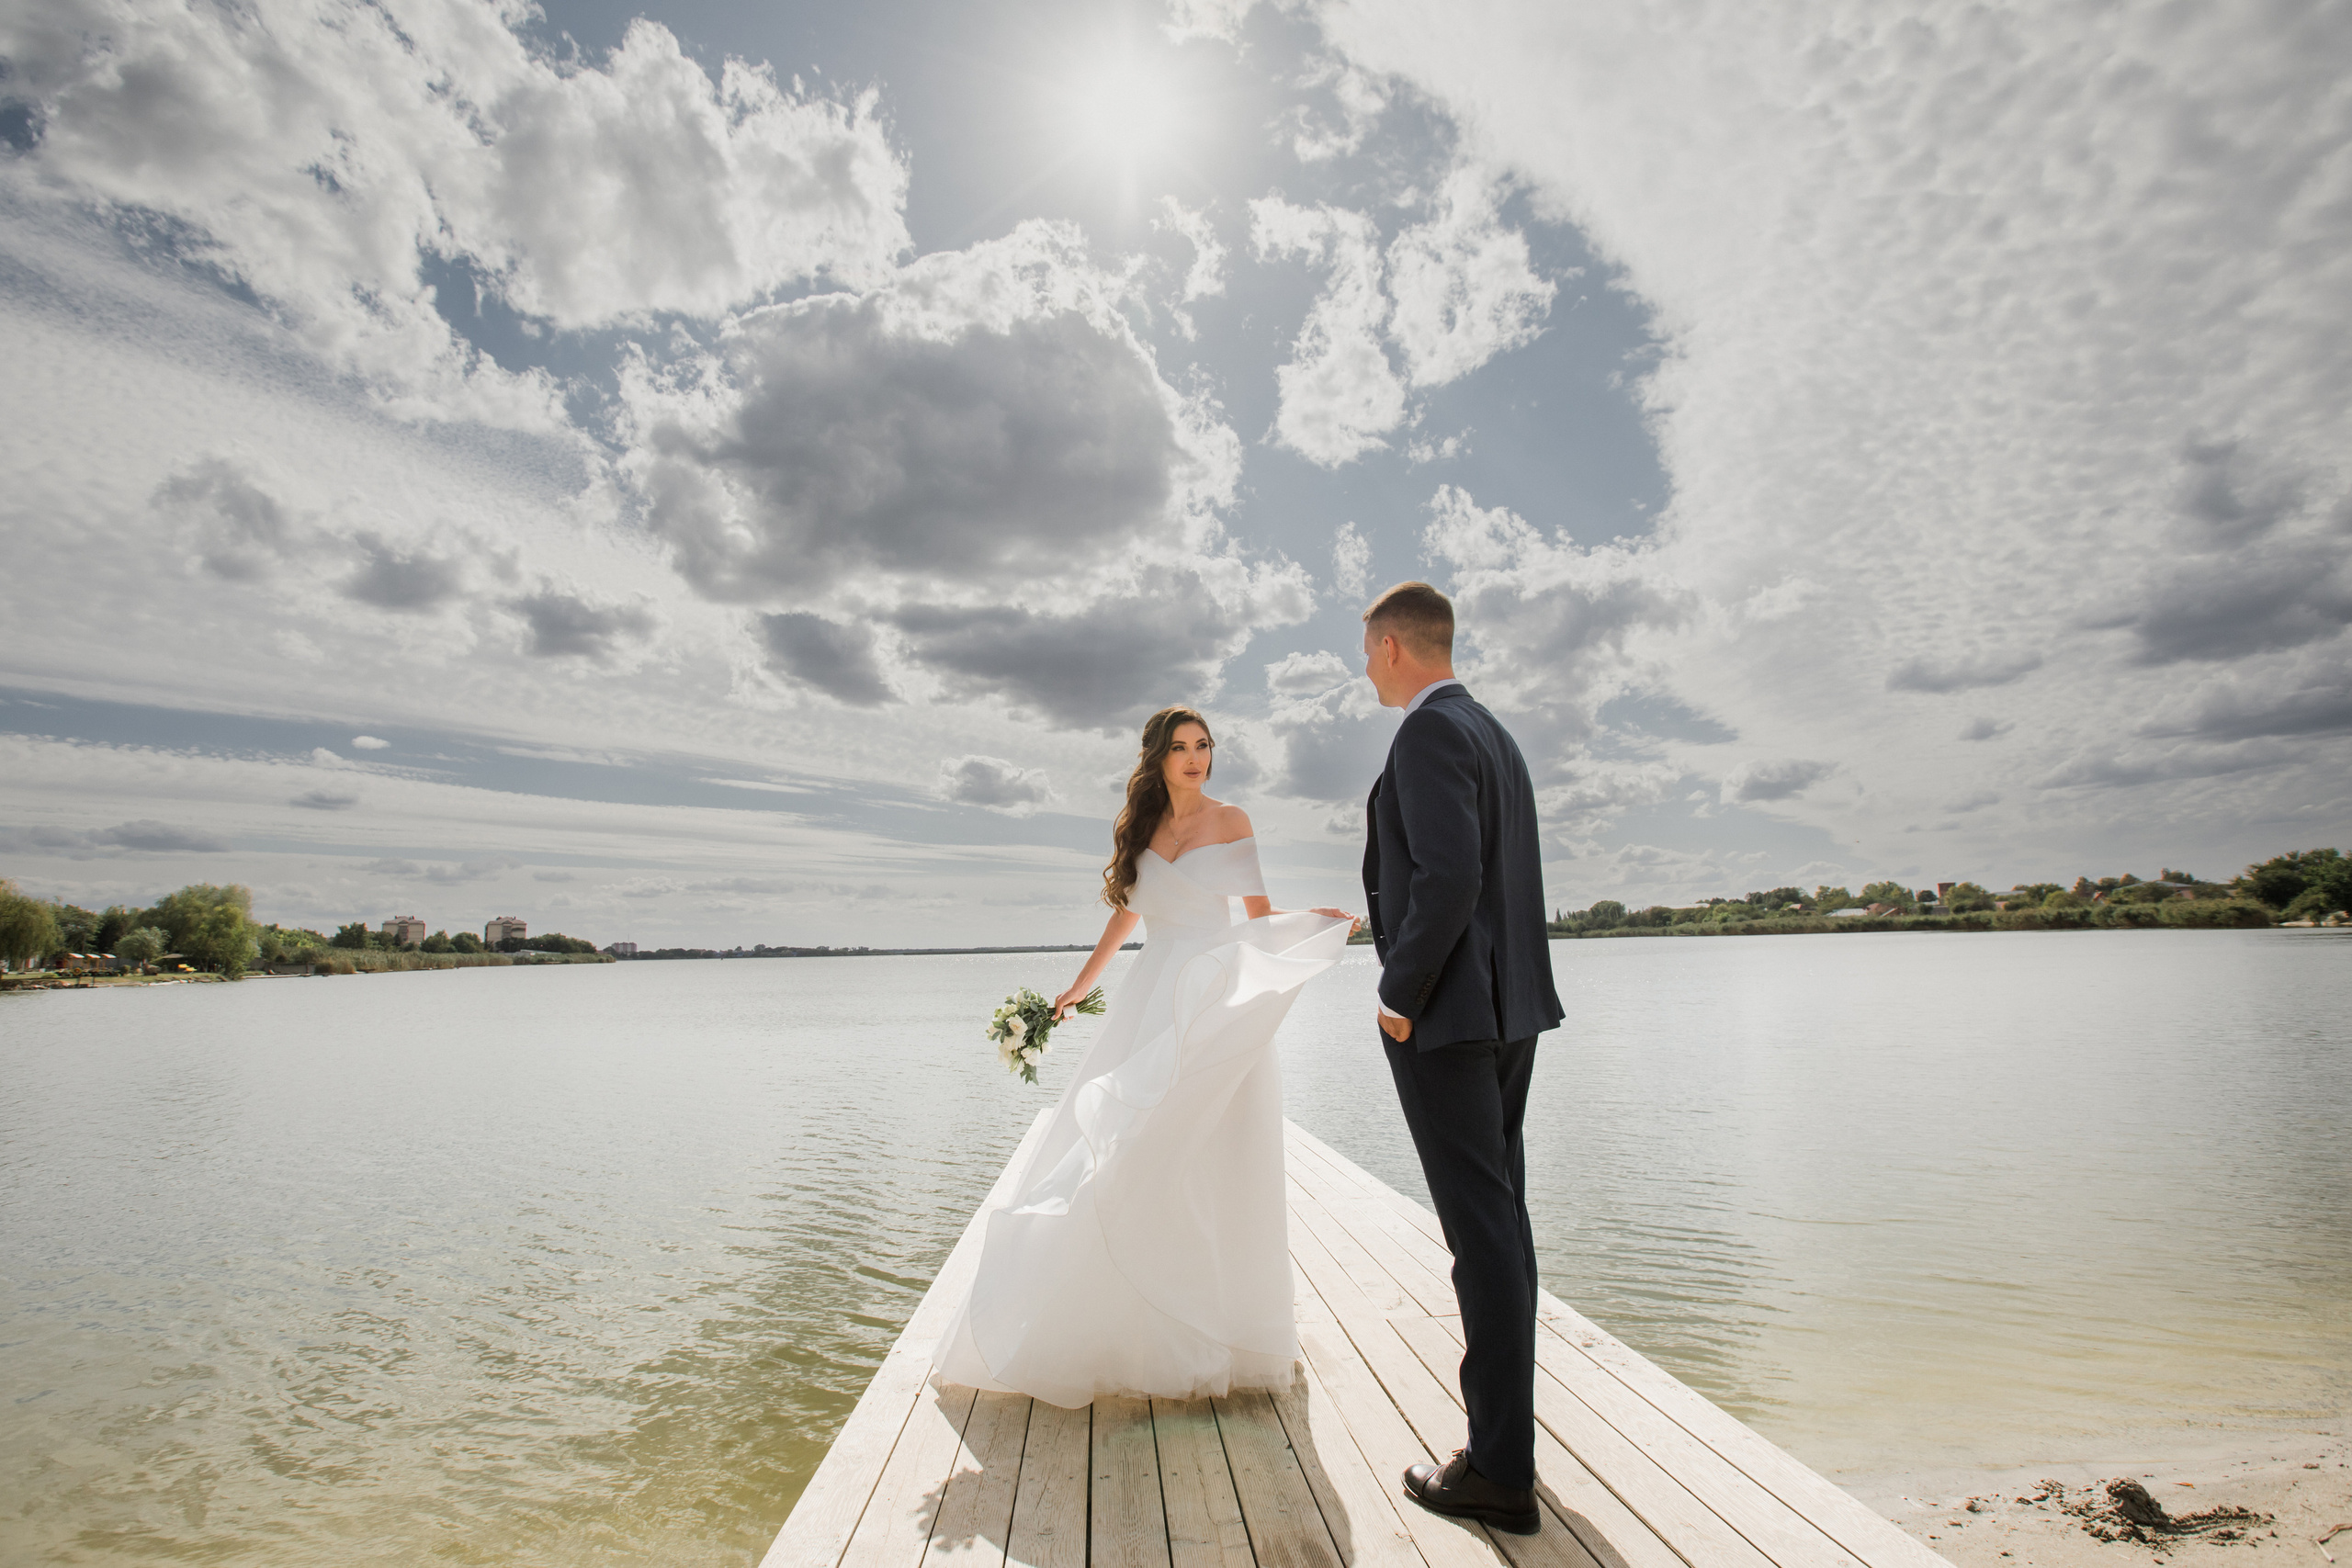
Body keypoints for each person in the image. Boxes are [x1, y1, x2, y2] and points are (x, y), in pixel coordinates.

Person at [932, 705, 1359, 1407]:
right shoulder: (1143, 830)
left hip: (1210, 1002)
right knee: (1125, 1152)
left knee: (1213, 1157)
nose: (1195, 758)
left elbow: (1258, 918)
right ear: (1157, 757)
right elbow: (1125, 917)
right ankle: (1119, 1324)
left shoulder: (1233, 821)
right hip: (1148, 1001)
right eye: (1181, 747)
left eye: (1204, 746)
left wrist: (1315, 922)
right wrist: (1077, 986)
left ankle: (1217, 1326)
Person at [1359, 581, 1564, 1536]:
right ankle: (1508, 1445)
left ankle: (1495, 1470)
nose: (1366, 669)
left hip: (1446, 1018)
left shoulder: (1428, 734)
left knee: (1479, 1235)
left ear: (1394, 646)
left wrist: (1397, 995)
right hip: (1506, 1008)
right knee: (1502, 1225)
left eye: (1366, 652)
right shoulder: (1494, 733)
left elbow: (1448, 878)